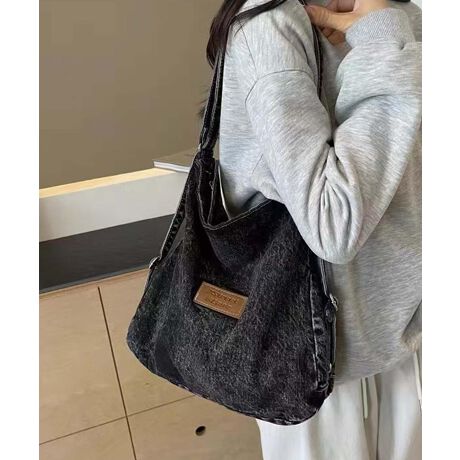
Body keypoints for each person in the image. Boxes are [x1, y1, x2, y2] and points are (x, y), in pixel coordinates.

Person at [206, 0, 422, 458]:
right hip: (314, 363)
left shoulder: (414, 14)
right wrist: (382, 37)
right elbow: (333, 221)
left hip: (411, 338)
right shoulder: (270, 27)